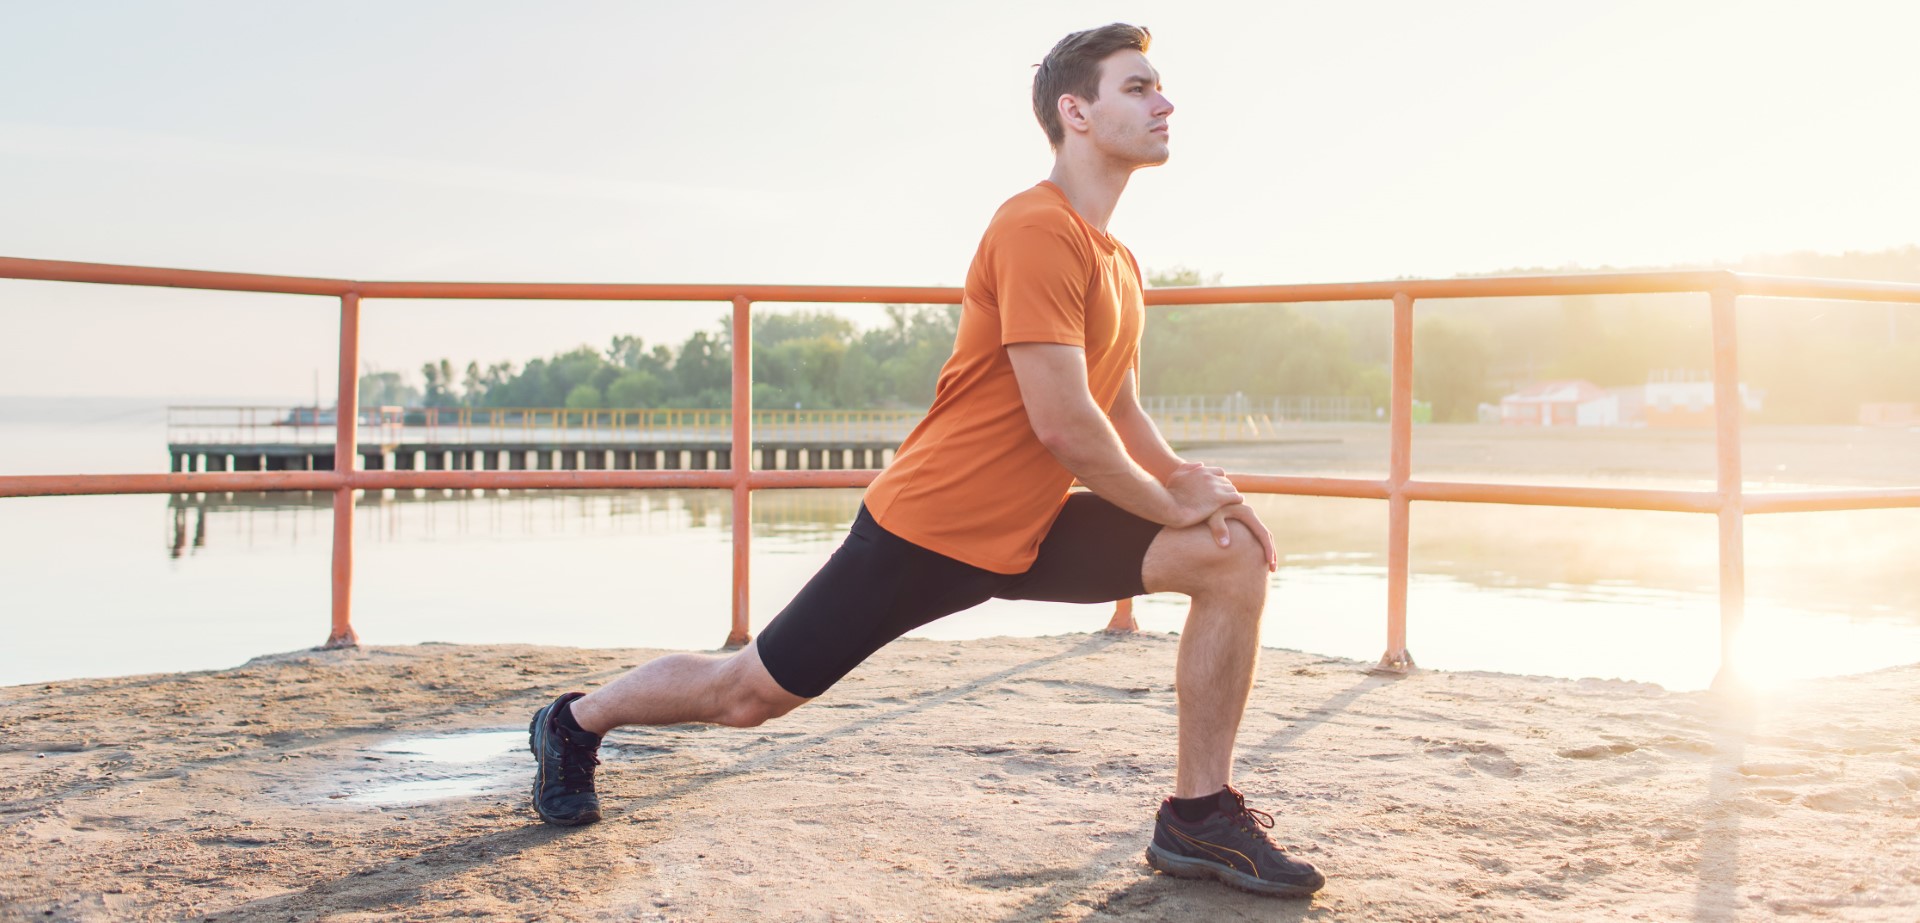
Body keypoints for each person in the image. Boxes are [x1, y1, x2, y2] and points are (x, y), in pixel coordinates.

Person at [529, 23, 1325, 899]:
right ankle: (575, 720)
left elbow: (1117, 404)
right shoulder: (1035, 227)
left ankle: (1199, 816)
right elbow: (1062, 422)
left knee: (1232, 555)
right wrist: (1168, 503)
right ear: (1077, 112)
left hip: (1030, 529)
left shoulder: (1118, 258)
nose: (1164, 102)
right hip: (930, 527)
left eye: (1159, 86)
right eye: (1137, 87)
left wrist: (1192, 492)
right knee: (746, 695)